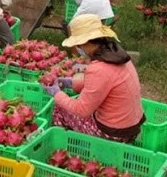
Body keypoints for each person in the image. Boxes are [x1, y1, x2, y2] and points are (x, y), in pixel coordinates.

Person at [42, 14, 145, 143]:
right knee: (74, 102)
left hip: (114, 133)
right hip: (132, 126)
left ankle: (62, 144)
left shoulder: (98, 68)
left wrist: (57, 94)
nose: (78, 48)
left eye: (78, 45)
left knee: (61, 107)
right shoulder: (118, 55)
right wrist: (72, 83)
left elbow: (82, 110)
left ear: (84, 42)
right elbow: (104, 83)